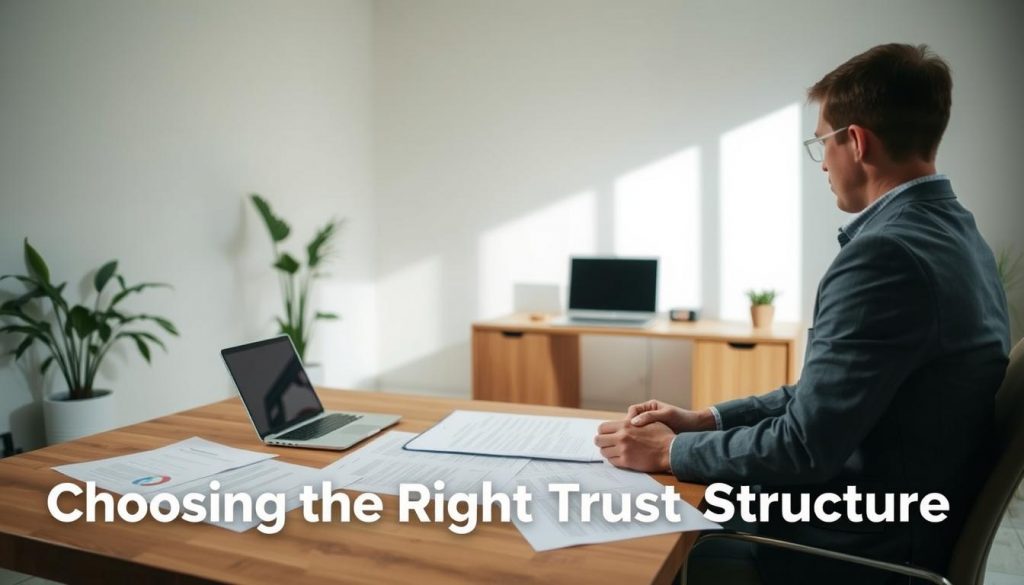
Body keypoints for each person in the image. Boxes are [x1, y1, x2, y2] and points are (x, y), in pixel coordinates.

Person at [594, 43, 1010, 584]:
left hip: (860, 547)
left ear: (856, 142)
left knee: (625, 546)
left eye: (822, 143)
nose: (823, 164)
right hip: (903, 519)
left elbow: (803, 448)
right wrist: (704, 420)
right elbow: (826, 398)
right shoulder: (956, 231)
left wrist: (672, 449)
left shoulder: (887, 256)